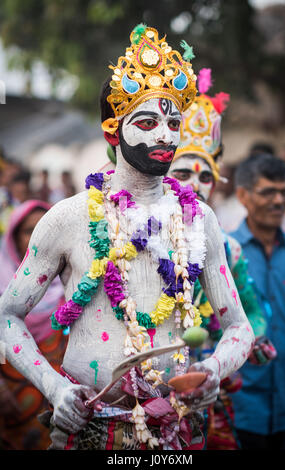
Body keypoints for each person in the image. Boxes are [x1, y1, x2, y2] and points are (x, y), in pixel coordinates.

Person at [0, 25, 254, 451]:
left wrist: (212, 370)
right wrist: (54, 388)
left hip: (179, 430)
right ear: (112, 131)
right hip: (90, 429)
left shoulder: (200, 218)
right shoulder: (69, 218)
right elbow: (7, 317)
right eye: (148, 121)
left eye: (174, 122)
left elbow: (239, 328)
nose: (164, 135)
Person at [168, 68, 275, 449]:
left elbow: (250, 311)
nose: (195, 185)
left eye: (205, 176)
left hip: (214, 387)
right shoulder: (135, 241)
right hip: (149, 392)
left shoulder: (228, 249)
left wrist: (257, 336)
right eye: (182, 173)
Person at [231, 152, 285, 449]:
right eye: (267, 191)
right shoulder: (225, 253)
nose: (278, 200)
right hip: (240, 407)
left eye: (284, 191)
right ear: (243, 196)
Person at [0, 200, 66, 450]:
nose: (39, 237)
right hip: (15, 397)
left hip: (62, 403)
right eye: (30, 231)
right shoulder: (2, 284)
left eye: (45, 228)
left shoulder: (71, 284)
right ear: (14, 239)